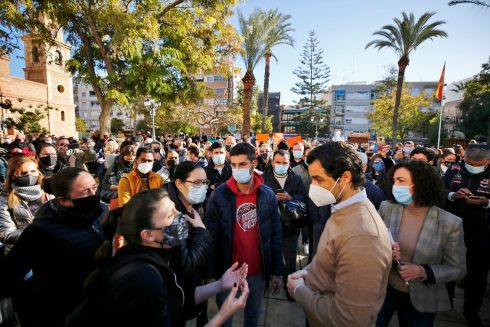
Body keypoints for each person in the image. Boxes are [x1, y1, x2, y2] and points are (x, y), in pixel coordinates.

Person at [66, 188, 249, 327]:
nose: (181, 217)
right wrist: (224, 313)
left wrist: (220, 284)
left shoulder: (157, 256)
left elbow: (177, 301)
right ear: (148, 235)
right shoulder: (143, 277)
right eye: (171, 215)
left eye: (176, 210)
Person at [286, 142, 392, 326]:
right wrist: (307, 272)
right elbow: (330, 256)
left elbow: (350, 318)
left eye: (319, 179)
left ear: (344, 177)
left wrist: (298, 291)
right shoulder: (341, 207)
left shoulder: (364, 237)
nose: (313, 187)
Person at [0, 168, 107, 327]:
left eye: (94, 188)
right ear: (63, 200)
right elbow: (10, 273)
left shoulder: (102, 211)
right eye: (86, 192)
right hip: (61, 308)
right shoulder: (40, 230)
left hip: (98, 299)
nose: (94, 195)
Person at [376, 160, 466, 327]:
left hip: (423, 299)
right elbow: (373, 243)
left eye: (401, 181)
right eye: (394, 180)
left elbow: (458, 269)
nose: (395, 185)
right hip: (383, 290)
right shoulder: (387, 207)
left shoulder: (450, 223)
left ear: (421, 184)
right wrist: (382, 250)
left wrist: (423, 271)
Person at [205, 142, 283, 327]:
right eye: (233, 165)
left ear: (254, 163)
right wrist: (210, 274)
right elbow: (211, 238)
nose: (236, 169)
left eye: (242, 164)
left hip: (257, 272)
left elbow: (275, 234)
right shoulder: (219, 195)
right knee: (225, 319)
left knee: (253, 317)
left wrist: (277, 271)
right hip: (227, 272)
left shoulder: (267, 195)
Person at [444, 143, 490, 326]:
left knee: (477, 276)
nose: (473, 166)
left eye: (478, 164)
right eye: (470, 162)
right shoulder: (455, 169)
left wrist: (486, 202)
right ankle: (445, 305)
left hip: (482, 233)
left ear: (487, 161)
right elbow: (440, 188)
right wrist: (453, 195)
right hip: (452, 229)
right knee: (447, 269)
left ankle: (472, 312)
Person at [262, 149, 306, 300]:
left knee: (290, 259)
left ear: (289, 163)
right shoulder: (263, 178)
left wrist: (290, 196)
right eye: (278, 162)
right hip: (269, 224)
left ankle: (290, 287)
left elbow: (303, 197)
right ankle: (267, 283)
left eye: (285, 163)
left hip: (290, 226)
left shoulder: (296, 178)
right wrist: (270, 198)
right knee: (267, 255)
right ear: (272, 162)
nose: (281, 165)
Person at [0, 156, 52, 251]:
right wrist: (38, 230)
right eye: (23, 173)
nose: (29, 176)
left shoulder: (50, 191)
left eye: (33, 171)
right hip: (23, 252)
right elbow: (6, 235)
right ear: (13, 175)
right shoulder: (4, 199)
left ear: (38, 172)